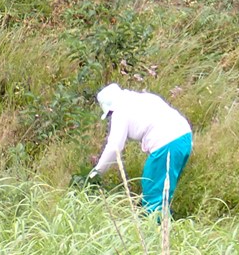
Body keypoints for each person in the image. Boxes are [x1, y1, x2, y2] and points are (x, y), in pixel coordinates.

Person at [81, 84, 194, 216]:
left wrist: (96, 173)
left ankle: (155, 231)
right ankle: (165, 229)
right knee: (162, 191)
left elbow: (114, 148)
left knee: (153, 194)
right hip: (184, 138)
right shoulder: (143, 98)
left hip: (167, 144)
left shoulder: (120, 110)